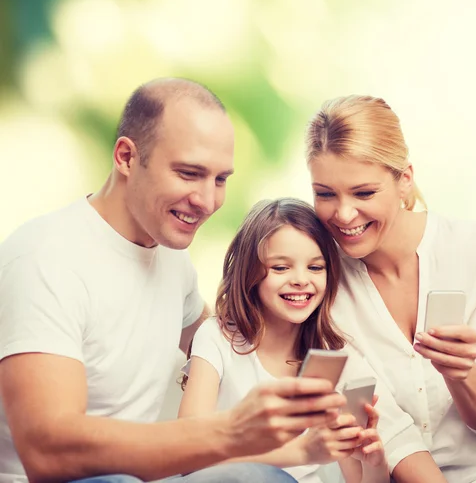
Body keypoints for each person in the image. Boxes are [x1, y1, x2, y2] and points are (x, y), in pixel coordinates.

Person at [0, 78, 345, 483]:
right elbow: (47, 452)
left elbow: (224, 336)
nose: (207, 200)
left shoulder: (170, 258)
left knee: (263, 477)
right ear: (127, 157)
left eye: (220, 179)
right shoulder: (45, 258)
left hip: (139, 480)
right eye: (188, 173)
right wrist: (232, 431)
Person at [304, 95, 476, 483]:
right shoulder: (321, 283)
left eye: (364, 193)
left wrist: (461, 374)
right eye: (325, 194)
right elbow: (386, 429)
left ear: (404, 179)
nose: (344, 214)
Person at [179, 197, 447, 483]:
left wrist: (373, 462)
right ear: (249, 273)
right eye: (281, 268)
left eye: (315, 268)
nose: (300, 280)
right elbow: (188, 454)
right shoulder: (218, 338)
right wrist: (298, 451)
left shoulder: (333, 357)